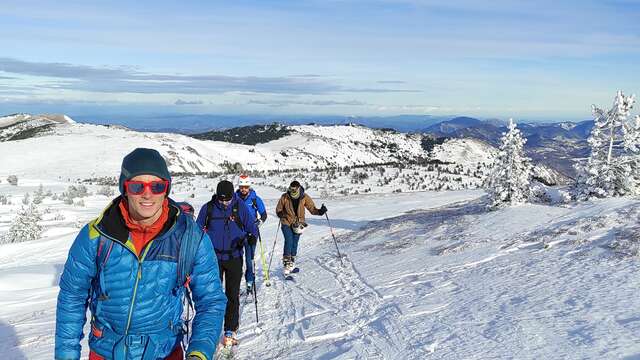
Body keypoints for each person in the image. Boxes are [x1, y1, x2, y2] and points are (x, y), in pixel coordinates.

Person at [55, 148, 227, 360]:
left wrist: (199, 352)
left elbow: (211, 300)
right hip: (106, 353)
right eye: (137, 186)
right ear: (124, 189)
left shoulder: (190, 238)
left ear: (166, 189)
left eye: (157, 186)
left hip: (163, 353)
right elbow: (72, 296)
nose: (147, 194)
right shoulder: (96, 235)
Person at [196, 180, 257, 347]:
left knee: (232, 294)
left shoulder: (239, 207)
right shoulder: (208, 208)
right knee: (212, 295)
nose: (224, 203)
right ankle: (211, 329)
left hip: (234, 257)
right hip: (213, 258)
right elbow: (197, 231)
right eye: (222, 200)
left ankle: (230, 329)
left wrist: (251, 237)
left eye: (227, 200)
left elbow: (252, 227)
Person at [275, 180, 327, 274]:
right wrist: (280, 213)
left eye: (294, 190)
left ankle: (292, 263)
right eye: (291, 189)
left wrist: (320, 211)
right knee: (289, 240)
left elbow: (312, 209)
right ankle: (286, 263)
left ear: (298, 188)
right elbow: (278, 209)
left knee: (295, 242)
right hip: (286, 222)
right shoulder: (285, 197)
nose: (292, 191)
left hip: (299, 224)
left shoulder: (304, 197)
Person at [235, 174, 268, 294]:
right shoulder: (234, 198)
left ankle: (249, 283)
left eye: (246, 187)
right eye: (241, 187)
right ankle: (235, 284)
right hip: (237, 233)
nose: (243, 189)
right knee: (236, 261)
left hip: (251, 233)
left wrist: (259, 222)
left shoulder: (255, 199)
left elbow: (264, 215)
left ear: (249, 186)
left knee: (249, 260)